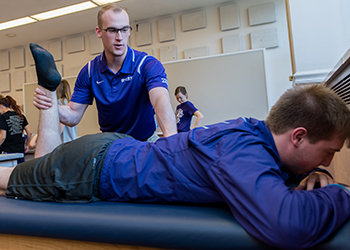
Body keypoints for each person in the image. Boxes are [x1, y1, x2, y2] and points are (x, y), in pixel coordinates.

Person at [1, 50, 350, 249]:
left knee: (39, 168)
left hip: (115, 150)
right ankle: (48, 96)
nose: (329, 160)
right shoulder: (244, 153)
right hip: (91, 169)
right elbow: (287, 226)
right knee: (14, 179)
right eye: (329, 152)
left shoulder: (253, 135)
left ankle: (48, 93)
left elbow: (286, 176)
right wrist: (344, 195)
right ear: (298, 136)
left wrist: (316, 171)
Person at [32, 3, 176, 142]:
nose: (119, 37)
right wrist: (50, 105)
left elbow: (160, 101)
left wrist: (173, 143)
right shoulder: (89, 72)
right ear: (99, 32)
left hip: (145, 141)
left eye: (124, 29)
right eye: (112, 30)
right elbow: (73, 115)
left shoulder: (146, 64)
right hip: (111, 145)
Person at [29, 79, 78, 150]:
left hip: (63, 146)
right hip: (72, 144)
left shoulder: (59, 103)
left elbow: (58, 130)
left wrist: (38, 136)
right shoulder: (71, 106)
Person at [0, 96, 32, 163]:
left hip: (8, 151)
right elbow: (29, 133)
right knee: (19, 171)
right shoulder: (21, 116)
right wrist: (26, 144)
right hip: (20, 151)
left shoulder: (3, 118)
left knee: (10, 171)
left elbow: (2, 137)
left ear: (0, 106)